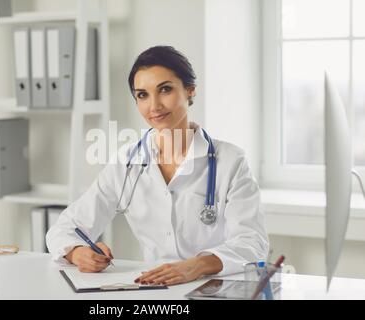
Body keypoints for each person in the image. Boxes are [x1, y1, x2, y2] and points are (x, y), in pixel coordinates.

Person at [46, 46, 269, 286]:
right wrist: (78, 252)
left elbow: (252, 243)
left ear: (190, 91)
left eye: (165, 90)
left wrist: (197, 265)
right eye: (142, 95)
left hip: (214, 287)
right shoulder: (127, 163)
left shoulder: (231, 161)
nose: (154, 106)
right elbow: (63, 229)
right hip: (154, 290)